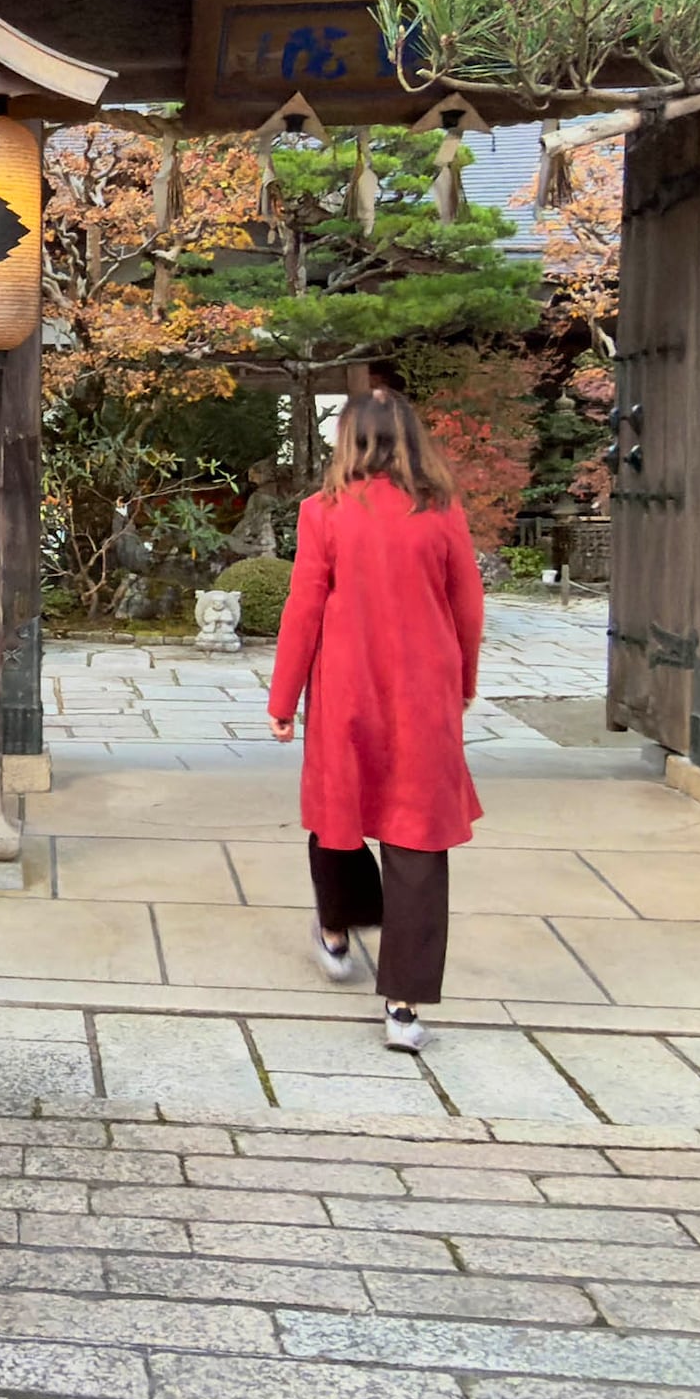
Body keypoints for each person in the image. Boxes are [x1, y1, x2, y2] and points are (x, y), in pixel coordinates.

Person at [267, 387, 485, 1052]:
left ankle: (337, 929)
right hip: (424, 694)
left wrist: (283, 700)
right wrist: (465, 681)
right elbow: (467, 603)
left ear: (349, 439)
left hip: (347, 689)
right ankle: (404, 1008)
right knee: (418, 840)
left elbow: (303, 607)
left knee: (338, 814)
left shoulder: (323, 513)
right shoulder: (442, 511)